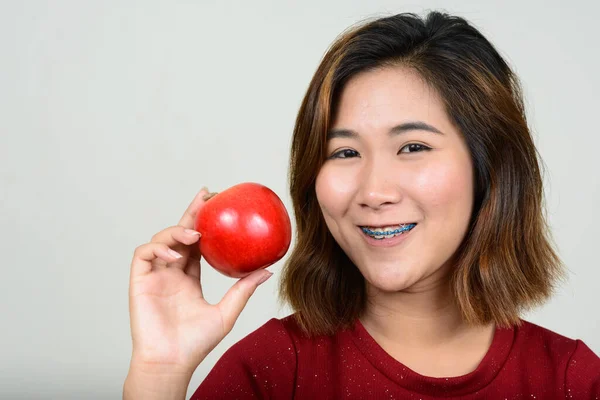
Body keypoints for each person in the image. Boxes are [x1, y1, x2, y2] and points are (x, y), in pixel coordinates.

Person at [123, 11, 600, 399]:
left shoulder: (572, 381)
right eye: (345, 153)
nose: (373, 192)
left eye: (413, 147)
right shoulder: (272, 371)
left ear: (489, 167)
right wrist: (160, 370)